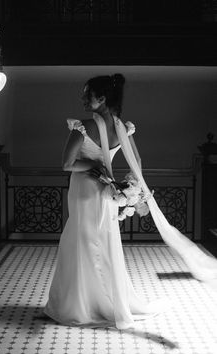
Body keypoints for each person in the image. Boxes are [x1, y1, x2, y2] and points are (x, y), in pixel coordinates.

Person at [43, 74, 165, 330]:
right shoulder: (122, 127)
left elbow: (67, 165)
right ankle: (106, 302)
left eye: (87, 94)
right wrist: (131, 186)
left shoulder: (84, 127)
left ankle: (79, 305)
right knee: (105, 241)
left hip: (85, 190)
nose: (83, 98)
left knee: (79, 240)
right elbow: (138, 162)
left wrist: (94, 164)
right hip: (106, 192)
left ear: (102, 98)